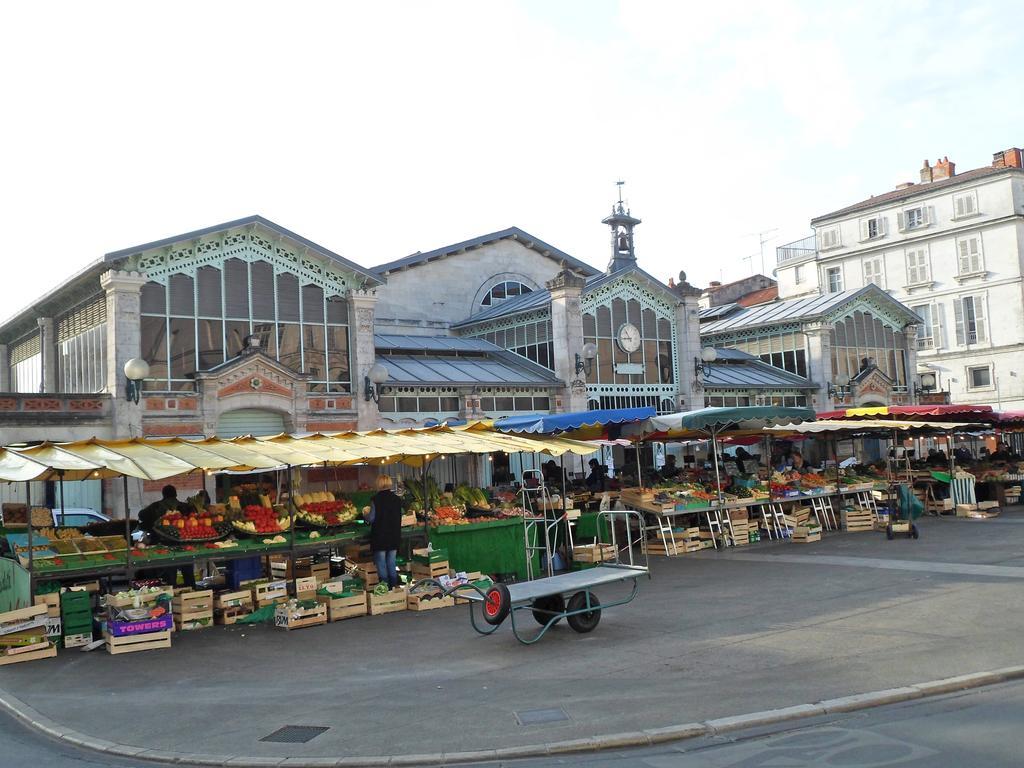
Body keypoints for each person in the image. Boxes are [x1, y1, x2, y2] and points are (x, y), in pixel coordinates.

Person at [366, 474, 403, 589]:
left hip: (380, 536)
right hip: (394, 535)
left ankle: (384, 588)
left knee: (381, 564)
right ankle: (394, 587)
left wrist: (365, 515)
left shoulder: (375, 499)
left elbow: (371, 518)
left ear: (379, 484)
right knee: (391, 562)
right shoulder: (397, 499)